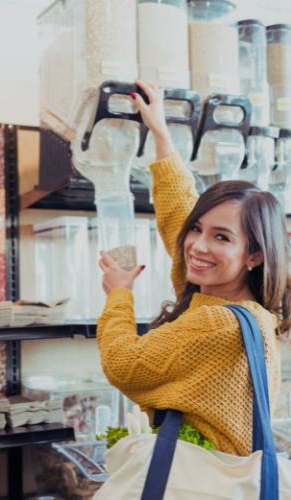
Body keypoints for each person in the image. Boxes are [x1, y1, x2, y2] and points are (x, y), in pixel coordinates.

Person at [97, 79, 291, 456]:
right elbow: (178, 213)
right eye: (198, 230)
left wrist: (119, 296)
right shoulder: (241, 306)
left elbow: (124, 364)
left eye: (221, 238)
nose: (197, 246)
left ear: (254, 255)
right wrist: (161, 133)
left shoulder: (216, 322)